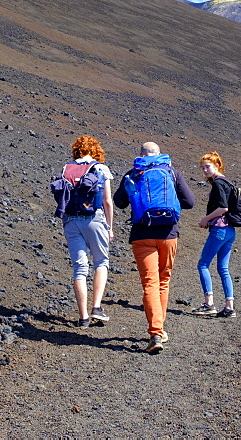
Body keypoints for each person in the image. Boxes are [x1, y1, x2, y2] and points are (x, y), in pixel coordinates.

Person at [113, 142, 195, 353]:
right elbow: (189, 202)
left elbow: (119, 202)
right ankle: (160, 329)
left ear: (141, 155)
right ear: (159, 155)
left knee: (150, 282)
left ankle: (155, 333)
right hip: (168, 234)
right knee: (163, 281)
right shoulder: (172, 171)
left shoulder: (134, 172)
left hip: (142, 235)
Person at [56, 135, 114, 328]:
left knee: (80, 268)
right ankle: (96, 307)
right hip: (94, 219)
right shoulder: (100, 168)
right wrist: (110, 227)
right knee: (101, 261)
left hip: (71, 221)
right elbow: (107, 201)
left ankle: (83, 318)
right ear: (96, 150)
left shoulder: (67, 168)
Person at [192, 151, 237, 318]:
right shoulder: (227, 183)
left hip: (219, 229)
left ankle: (209, 303)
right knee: (223, 268)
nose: (204, 170)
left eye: (208, 166)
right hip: (230, 230)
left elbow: (223, 208)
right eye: (202, 167)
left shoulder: (218, 184)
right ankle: (229, 307)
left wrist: (206, 219)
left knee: (203, 264)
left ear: (217, 165)